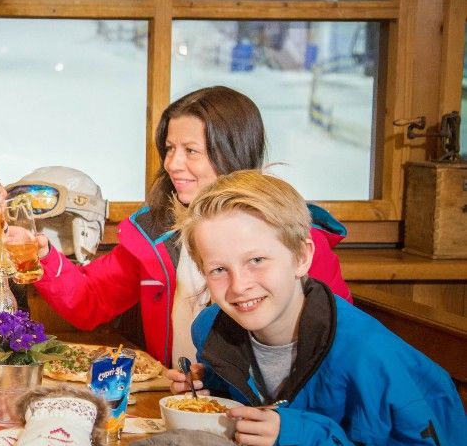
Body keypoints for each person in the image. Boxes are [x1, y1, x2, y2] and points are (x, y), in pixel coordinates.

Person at [165, 170, 466, 446]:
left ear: (302, 257)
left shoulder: (384, 368)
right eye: (218, 269)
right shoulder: (213, 328)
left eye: (256, 260)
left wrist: (305, 436)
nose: (238, 286)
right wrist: (209, 389)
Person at [31, 86, 351, 366]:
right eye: (170, 149)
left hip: (266, 414)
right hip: (177, 401)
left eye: (191, 151)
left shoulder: (292, 237)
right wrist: (41, 255)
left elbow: (338, 343)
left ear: (233, 153)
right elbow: (90, 301)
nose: (172, 163)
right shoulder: (156, 233)